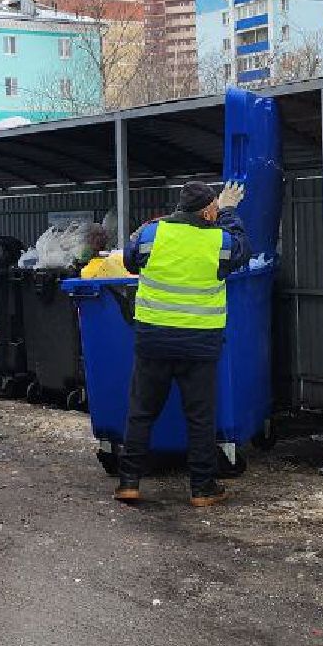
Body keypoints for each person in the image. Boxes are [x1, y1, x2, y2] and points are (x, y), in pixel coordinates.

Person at [116, 180, 249, 507]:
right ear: (207, 212)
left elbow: (130, 261)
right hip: (199, 345)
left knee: (141, 413)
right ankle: (202, 488)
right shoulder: (219, 240)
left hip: (154, 340)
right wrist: (229, 211)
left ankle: (129, 482)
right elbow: (242, 250)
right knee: (200, 418)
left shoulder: (152, 234)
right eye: (213, 208)